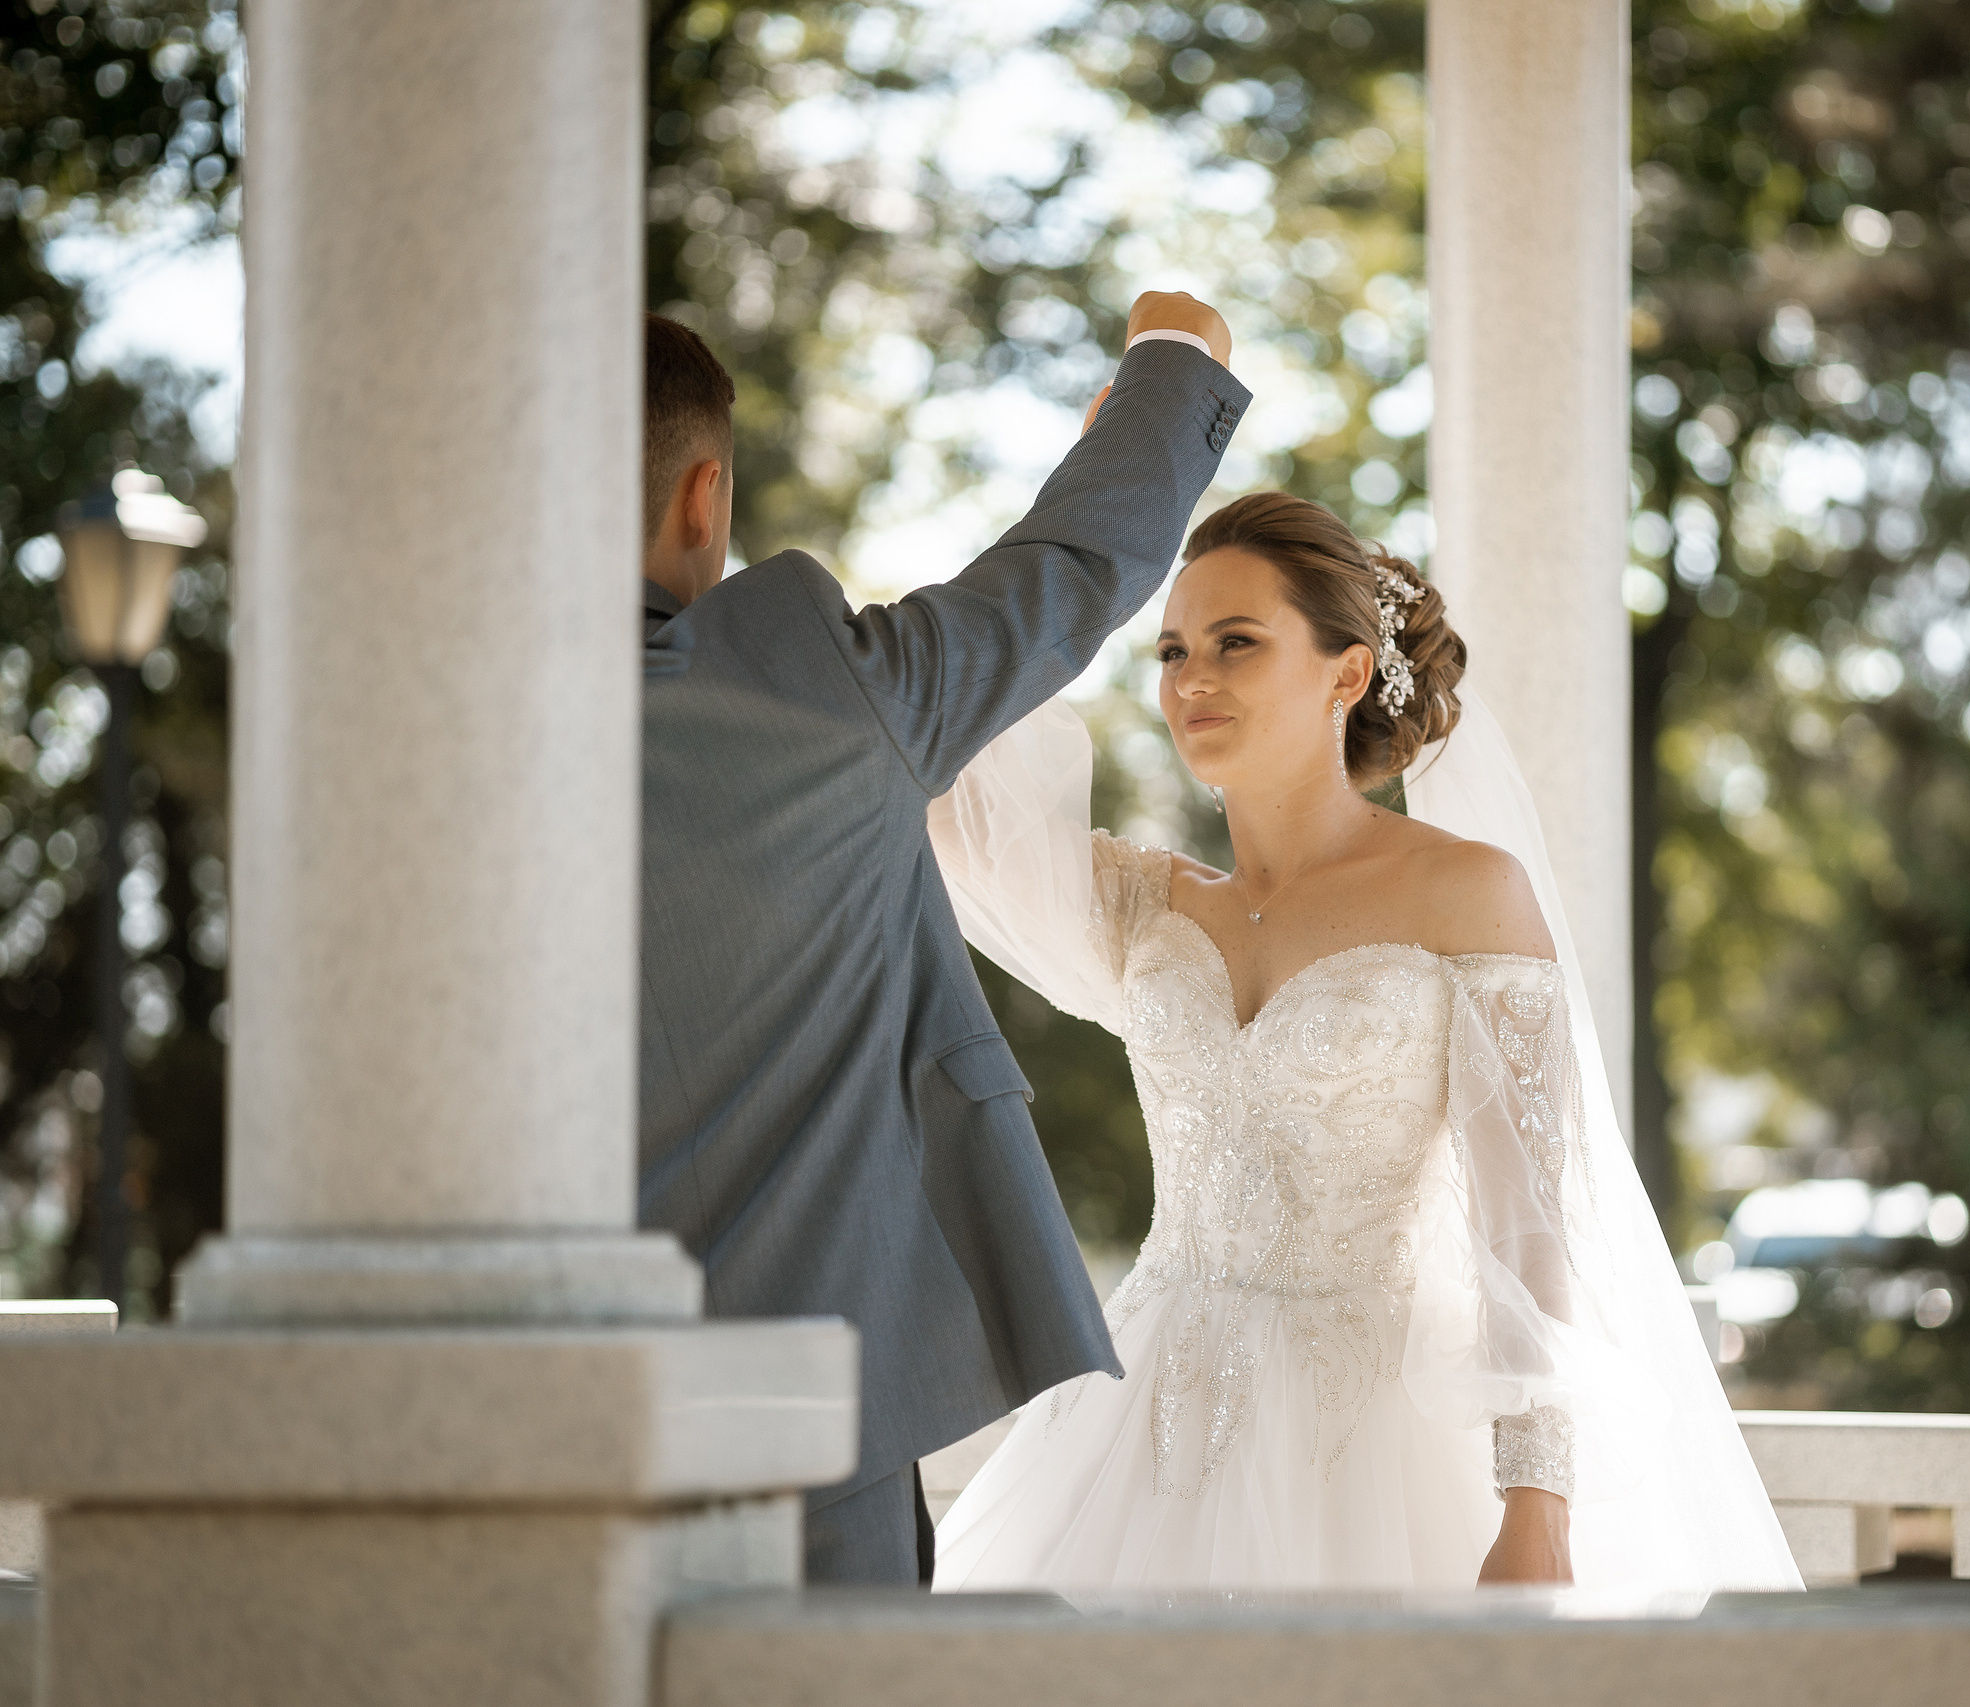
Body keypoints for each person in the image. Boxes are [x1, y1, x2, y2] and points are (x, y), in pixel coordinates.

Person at [925, 493, 1802, 1595]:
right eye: (1171, 650)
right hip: (1142, 1415)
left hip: (1380, 1441)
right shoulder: (1142, 902)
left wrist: (1537, 1507)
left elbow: (1530, 1226)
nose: (1191, 680)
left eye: (1236, 644)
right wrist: (1100, 505)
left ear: (1346, 675)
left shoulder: (1466, 892)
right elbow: (931, 769)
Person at [636, 295, 1251, 1584]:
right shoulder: (806, 682)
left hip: (507, 1413)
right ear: (705, 500)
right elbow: (1071, 569)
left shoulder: (434, 743)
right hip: (813, 1412)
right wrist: (1171, 364)